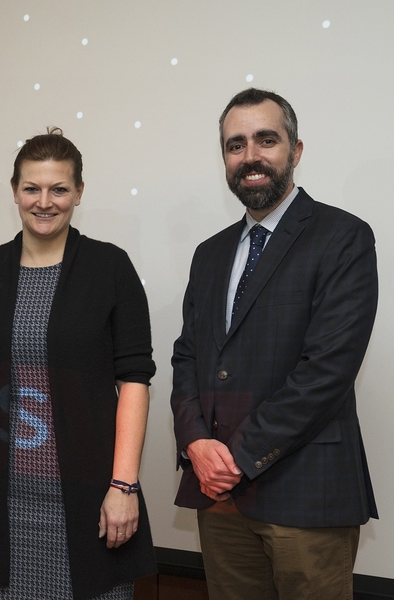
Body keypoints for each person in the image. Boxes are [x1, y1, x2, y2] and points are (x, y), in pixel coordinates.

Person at [171, 88, 378, 599]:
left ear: (296, 151)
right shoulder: (209, 253)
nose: (251, 156)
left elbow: (326, 370)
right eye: (235, 145)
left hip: (306, 495)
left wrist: (235, 459)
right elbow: (187, 359)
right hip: (219, 498)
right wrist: (196, 443)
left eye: (267, 140)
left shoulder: (343, 237)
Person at [0, 128, 157, 600]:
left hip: (89, 502)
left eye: (59, 189)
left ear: (79, 192)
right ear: (14, 191)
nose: (45, 202)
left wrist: (124, 485)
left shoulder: (110, 268)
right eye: (31, 189)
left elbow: (135, 381)